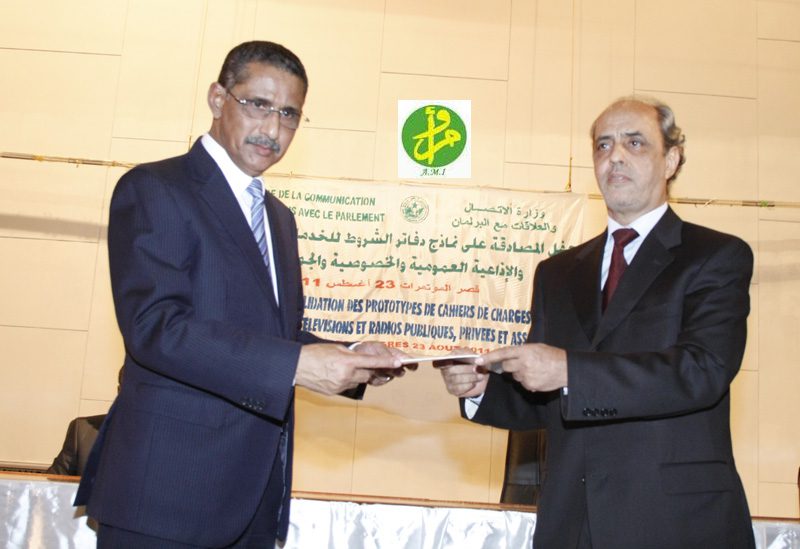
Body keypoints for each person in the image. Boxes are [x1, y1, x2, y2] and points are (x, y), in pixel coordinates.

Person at [75, 40, 405, 548]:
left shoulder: (279, 219)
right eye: (258, 105)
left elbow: (274, 334)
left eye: (289, 115)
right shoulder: (155, 187)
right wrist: (296, 365)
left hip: (252, 501)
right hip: (164, 496)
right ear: (217, 98)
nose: (273, 129)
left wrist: (351, 356)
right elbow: (156, 327)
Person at [440, 97, 755, 548]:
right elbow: (546, 398)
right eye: (603, 145)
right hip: (573, 522)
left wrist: (569, 369)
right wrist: (482, 389)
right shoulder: (557, 273)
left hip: (675, 523)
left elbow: (701, 371)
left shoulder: (715, 256)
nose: (615, 156)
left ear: (671, 160)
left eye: (634, 143)